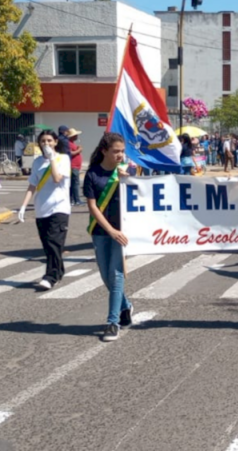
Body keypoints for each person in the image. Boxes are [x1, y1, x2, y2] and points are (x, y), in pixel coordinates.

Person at [84, 133, 132, 342]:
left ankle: (113, 322)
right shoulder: (92, 174)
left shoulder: (126, 171)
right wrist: (109, 230)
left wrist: (127, 180)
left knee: (116, 274)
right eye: (116, 151)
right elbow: (92, 206)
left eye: (122, 151)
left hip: (122, 232)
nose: (120, 155)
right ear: (104, 151)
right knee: (106, 277)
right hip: (101, 231)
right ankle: (125, 306)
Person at [18, 130, 71, 291]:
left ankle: (50, 276)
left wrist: (52, 158)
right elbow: (32, 184)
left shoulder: (63, 159)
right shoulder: (37, 162)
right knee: (48, 245)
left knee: (54, 242)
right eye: (43, 141)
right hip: (42, 208)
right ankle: (59, 270)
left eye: (49, 141)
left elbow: (56, 178)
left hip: (59, 207)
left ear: (55, 142)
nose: (46, 144)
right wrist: (23, 206)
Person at [65, 128, 83, 206]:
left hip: (75, 166)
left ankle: (73, 199)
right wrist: (79, 150)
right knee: (75, 183)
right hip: (73, 166)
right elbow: (70, 153)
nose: (77, 136)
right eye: (76, 135)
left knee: (73, 183)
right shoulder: (68, 143)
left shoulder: (71, 143)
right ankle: (76, 200)